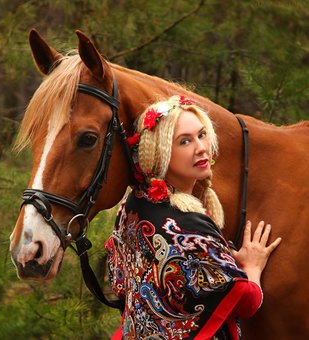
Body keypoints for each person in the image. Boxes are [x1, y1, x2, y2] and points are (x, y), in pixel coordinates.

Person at [105, 95, 282, 340]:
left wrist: (222, 258)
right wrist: (252, 266)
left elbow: (120, 279)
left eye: (202, 134)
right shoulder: (188, 227)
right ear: (161, 153)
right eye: (184, 141)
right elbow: (247, 300)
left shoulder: (134, 203)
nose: (201, 148)